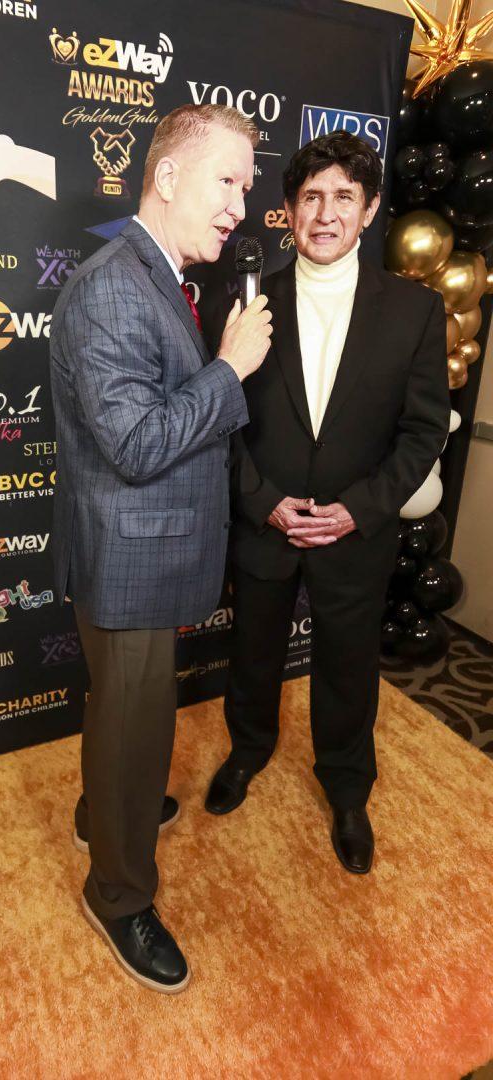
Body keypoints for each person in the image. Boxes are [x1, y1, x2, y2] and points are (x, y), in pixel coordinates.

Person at [50, 104, 272, 993]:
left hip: (146, 555)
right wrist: (231, 369)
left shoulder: (160, 275)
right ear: (169, 177)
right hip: (128, 563)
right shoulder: (114, 286)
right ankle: (118, 892)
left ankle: (107, 807)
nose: (241, 207)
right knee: (135, 723)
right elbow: (138, 444)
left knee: (125, 716)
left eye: (247, 187)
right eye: (228, 182)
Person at [205, 132, 450, 875]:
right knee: (252, 655)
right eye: (310, 197)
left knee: (348, 669)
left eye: (344, 196)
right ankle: (248, 751)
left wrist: (359, 510)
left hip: (356, 531)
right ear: (287, 211)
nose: (326, 213)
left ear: (369, 210)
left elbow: (422, 431)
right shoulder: (242, 300)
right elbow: (218, 420)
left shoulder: (415, 310)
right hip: (265, 523)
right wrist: (264, 502)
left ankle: (347, 790)